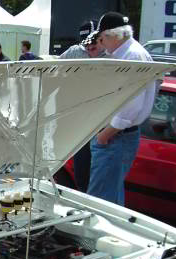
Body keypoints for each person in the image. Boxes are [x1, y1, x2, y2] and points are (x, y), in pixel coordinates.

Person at [86, 11, 155, 205]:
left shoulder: (132, 56)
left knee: (100, 201)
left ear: (112, 36)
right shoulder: (131, 53)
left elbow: (131, 106)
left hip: (115, 136)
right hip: (117, 135)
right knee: (111, 196)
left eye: (101, 38)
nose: (101, 44)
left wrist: (104, 135)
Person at [60, 30, 105, 192]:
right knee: (81, 170)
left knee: (98, 176)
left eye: (94, 48)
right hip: (80, 120)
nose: (90, 52)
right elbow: (55, 69)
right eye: (87, 48)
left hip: (101, 121)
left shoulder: (110, 56)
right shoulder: (75, 52)